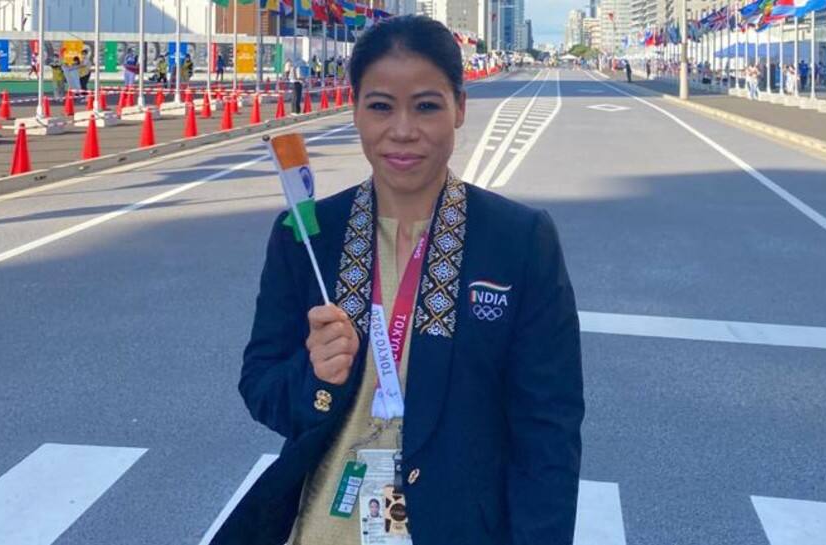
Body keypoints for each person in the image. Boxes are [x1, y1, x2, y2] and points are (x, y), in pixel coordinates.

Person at [209, 14, 584, 545]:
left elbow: (549, 430)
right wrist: (316, 374)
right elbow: (262, 388)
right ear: (356, 109)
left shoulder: (519, 241)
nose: (402, 129)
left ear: (459, 108)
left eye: (426, 106)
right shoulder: (308, 237)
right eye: (380, 106)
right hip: (323, 529)